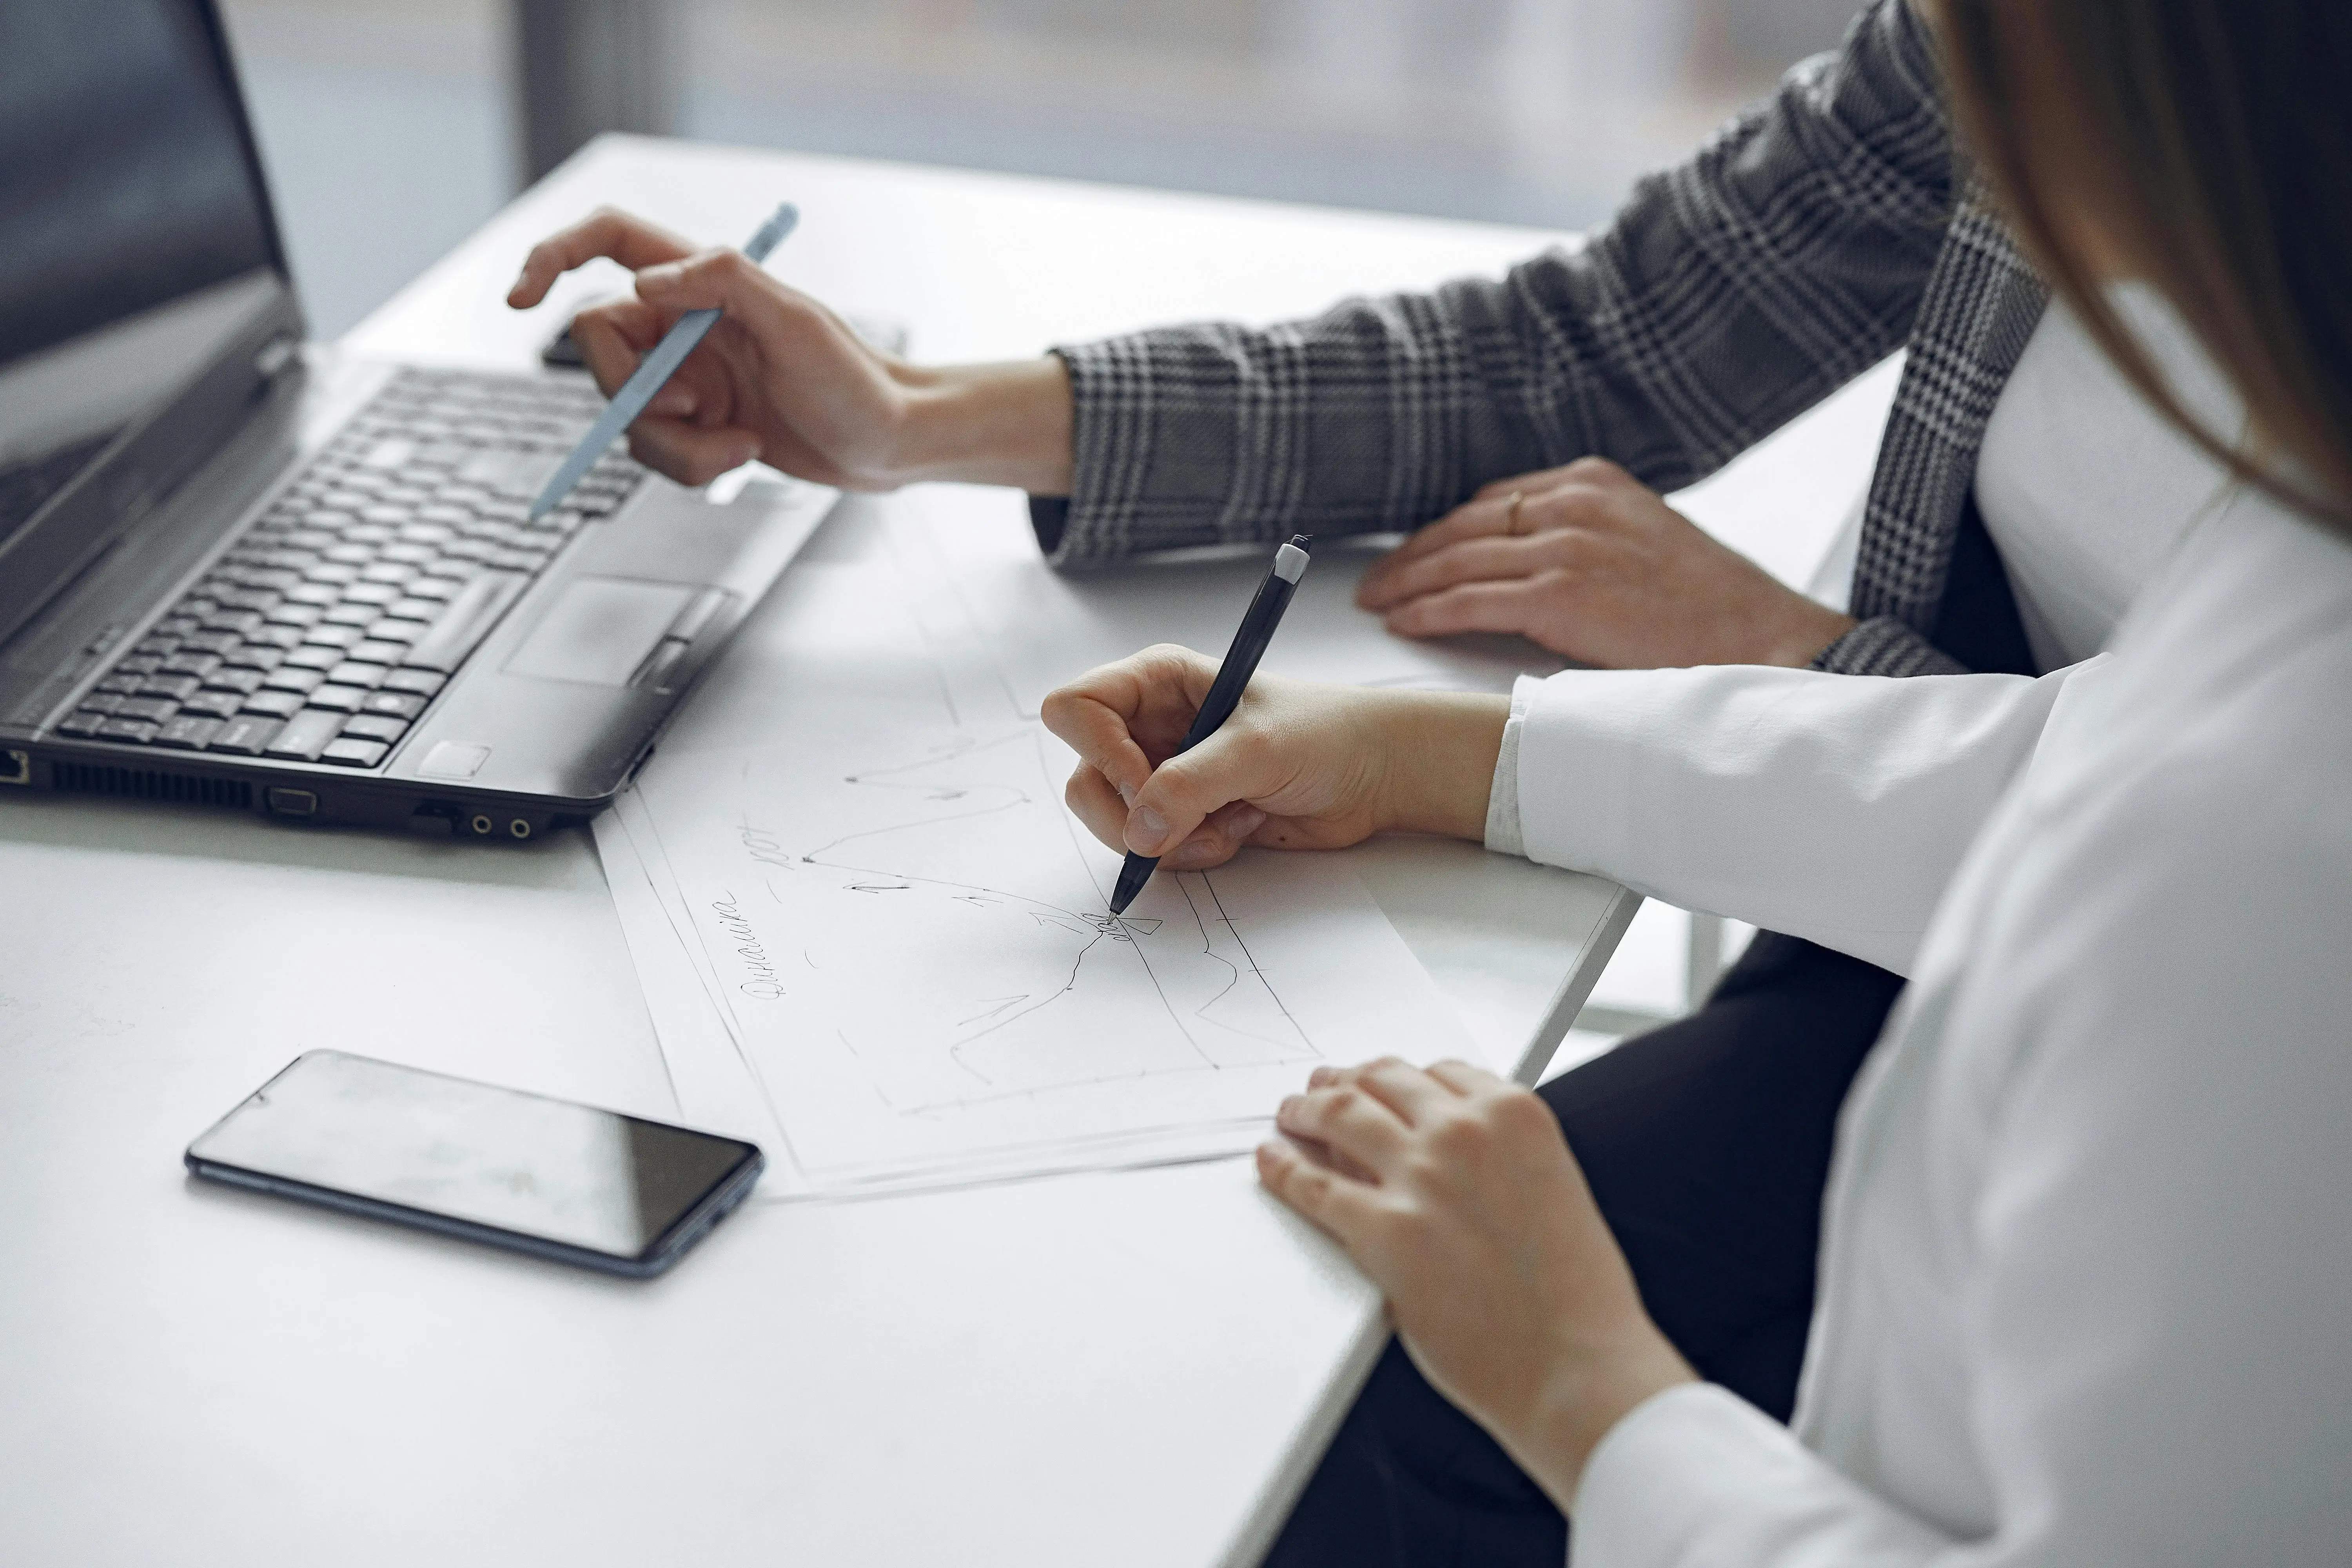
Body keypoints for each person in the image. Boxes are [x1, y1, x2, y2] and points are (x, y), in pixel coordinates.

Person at [497, 0, 2327, 1555]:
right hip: (1907, 894)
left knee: (1321, 1367)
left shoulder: (2242, 865)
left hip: (2034, 982)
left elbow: (2161, 811)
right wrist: (920, 424)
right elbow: (1606, 343)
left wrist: (1591, 1398)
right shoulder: (2065, 85)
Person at [1033, 0, 2352, 1560]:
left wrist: (1587, 1391)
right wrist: (1445, 751)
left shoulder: (2276, 860)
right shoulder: (2297, 509)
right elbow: (2066, 770)